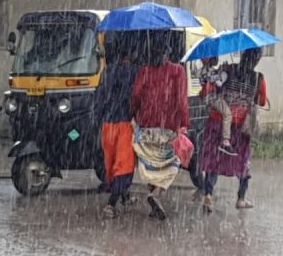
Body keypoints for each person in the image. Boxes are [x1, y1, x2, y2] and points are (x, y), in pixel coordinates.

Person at [199, 47, 267, 212]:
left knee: (214, 160)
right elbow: (262, 101)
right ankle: (241, 199)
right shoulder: (258, 78)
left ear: (243, 55)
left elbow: (214, 86)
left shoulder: (228, 69)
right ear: (257, 60)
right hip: (240, 127)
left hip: (218, 122)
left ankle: (208, 195)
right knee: (242, 160)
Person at [131, 36, 189, 221]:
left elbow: (136, 95)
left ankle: (153, 195)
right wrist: (184, 123)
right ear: (168, 54)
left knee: (149, 164)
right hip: (169, 127)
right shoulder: (178, 71)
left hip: (147, 125)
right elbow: (182, 100)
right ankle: (156, 193)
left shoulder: (145, 70)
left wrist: (134, 114)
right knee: (172, 163)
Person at [95, 44, 139, 219]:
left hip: (107, 126)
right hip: (124, 125)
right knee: (124, 166)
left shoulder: (107, 72)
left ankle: (125, 197)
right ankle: (111, 204)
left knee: (112, 164)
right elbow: (135, 99)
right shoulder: (134, 72)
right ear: (132, 55)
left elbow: (99, 98)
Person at [199, 57, 235, 156]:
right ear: (210, 60)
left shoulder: (203, 70)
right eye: (215, 58)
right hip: (212, 97)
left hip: (207, 97)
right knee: (227, 114)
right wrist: (225, 72)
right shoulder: (209, 71)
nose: (217, 60)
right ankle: (226, 141)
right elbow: (219, 83)